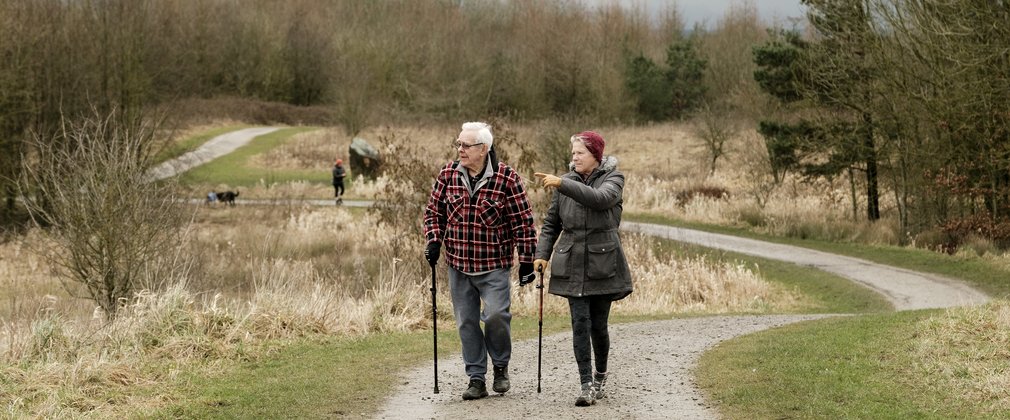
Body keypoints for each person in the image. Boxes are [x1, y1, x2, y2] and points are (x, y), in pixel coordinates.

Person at [423, 121, 538, 401]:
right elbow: (433, 213)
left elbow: (523, 222)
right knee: (466, 322)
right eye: (458, 144)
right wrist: (434, 240)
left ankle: (500, 366)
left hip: (493, 266)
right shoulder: (448, 174)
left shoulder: (506, 178)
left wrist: (526, 261)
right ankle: (476, 378)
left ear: (483, 149)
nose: (460, 149)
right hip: (459, 264)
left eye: (466, 145)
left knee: (497, 316)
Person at [532, 130, 632, 407]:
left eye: (579, 153)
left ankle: (600, 375)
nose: (574, 157)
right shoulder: (565, 183)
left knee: (598, 326)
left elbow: (598, 199)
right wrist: (542, 254)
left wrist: (562, 184)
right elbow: (552, 224)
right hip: (572, 262)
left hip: (603, 263)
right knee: (579, 324)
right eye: (573, 152)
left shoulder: (614, 179)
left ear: (595, 156)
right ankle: (586, 384)